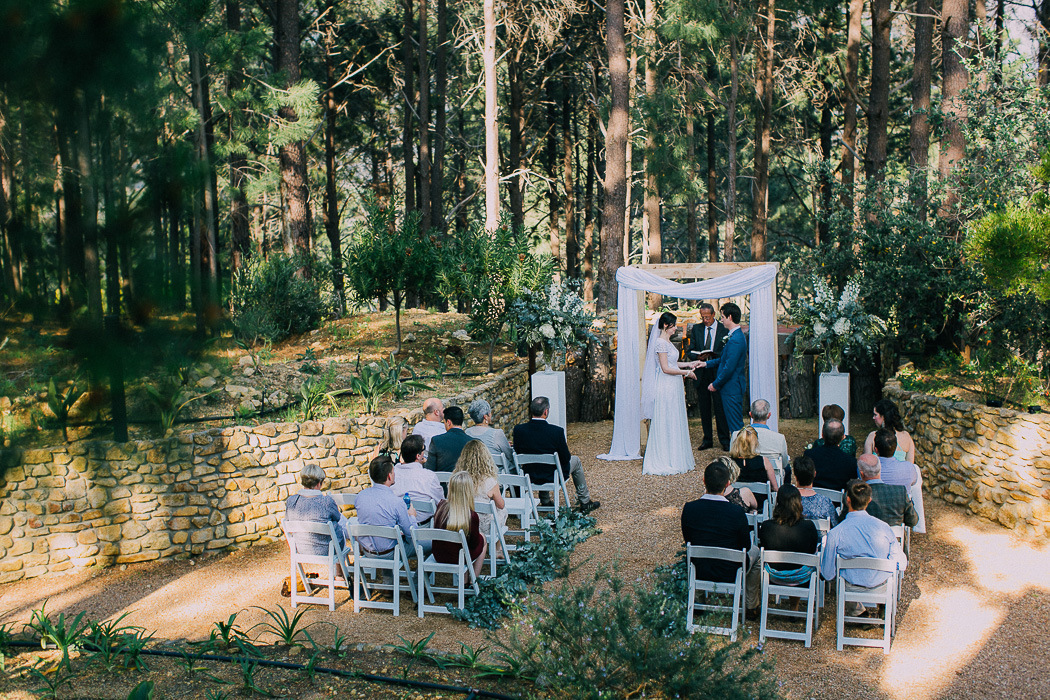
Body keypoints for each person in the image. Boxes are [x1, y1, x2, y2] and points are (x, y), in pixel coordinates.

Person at [681, 460, 760, 617]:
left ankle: (698, 601)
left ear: (704, 481)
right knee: (757, 553)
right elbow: (745, 544)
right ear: (728, 483)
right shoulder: (736, 512)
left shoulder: (690, 509)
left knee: (696, 550)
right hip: (731, 571)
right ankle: (751, 606)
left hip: (700, 569)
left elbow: (688, 539)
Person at [820, 479, 907, 616]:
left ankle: (857, 612)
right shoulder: (883, 527)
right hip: (880, 585)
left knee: (843, 574)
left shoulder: (837, 532)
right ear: (869, 500)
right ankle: (883, 604)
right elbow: (901, 563)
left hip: (850, 587)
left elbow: (828, 573)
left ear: (847, 499)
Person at [513, 396, 600, 513]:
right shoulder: (556, 432)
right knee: (576, 460)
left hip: (529, 475)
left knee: (540, 462)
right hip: (552, 476)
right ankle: (585, 501)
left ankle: (545, 500)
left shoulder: (519, 430)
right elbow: (565, 458)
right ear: (546, 412)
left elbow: (518, 452)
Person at [641, 311, 698, 476]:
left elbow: (672, 362)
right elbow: (665, 369)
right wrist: (687, 373)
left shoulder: (666, 342)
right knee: (667, 418)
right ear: (666, 326)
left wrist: (689, 364)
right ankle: (665, 458)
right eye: (674, 325)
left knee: (674, 418)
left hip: (674, 385)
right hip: (666, 385)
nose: (676, 329)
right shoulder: (660, 342)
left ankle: (675, 455)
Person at [696, 302, 748, 434]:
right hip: (730, 387)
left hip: (732, 387)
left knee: (735, 424)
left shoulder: (736, 339)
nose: (722, 320)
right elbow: (723, 359)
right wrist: (706, 364)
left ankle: (740, 452)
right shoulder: (733, 335)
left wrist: (715, 384)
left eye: (723, 317)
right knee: (733, 423)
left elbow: (728, 368)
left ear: (730, 317)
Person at [355, 455, 418, 558]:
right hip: (391, 554)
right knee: (429, 544)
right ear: (389, 476)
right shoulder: (397, 502)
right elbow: (411, 534)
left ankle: (388, 574)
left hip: (368, 552)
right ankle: (419, 575)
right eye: (393, 472)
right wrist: (412, 517)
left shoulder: (360, 497)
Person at [687, 303, 729, 450]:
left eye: (707, 317)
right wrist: (698, 356)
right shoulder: (697, 329)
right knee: (704, 408)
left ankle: (725, 440)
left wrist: (713, 355)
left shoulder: (724, 329)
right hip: (702, 372)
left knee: (720, 407)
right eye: (702, 317)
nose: (705, 320)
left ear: (713, 315)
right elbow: (690, 350)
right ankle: (707, 439)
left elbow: (726, 352)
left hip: (718, 372)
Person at [454, 439, 507, 556]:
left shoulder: (458, 479)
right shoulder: (489, 481)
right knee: (502, 510)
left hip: (462, 523)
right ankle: (497, 548)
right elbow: (501, 505)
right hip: (484, 527)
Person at [284, 463, 347, 555]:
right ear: (319, 483)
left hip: (301, 548)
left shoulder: (291, 501)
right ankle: (340, 567)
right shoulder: (327, 501)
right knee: (340, 522)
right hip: (327, 549)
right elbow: (337, 518)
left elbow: (288, 519)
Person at [433, 472, 487, 577]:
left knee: (463, 546)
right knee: (482, 539)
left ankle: (466, 580)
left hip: (439, 554)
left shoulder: (441, 507)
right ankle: (473, 579)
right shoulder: (471, 516)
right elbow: (474, 544)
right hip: (458, 557)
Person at [758, 485, 820, 572]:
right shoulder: (809, 527)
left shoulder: (766, 526)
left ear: (778, 502)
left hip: (774, 576)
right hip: (802, 577)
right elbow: (812, 551)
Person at [730, 399, 790, 484]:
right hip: (769, 480)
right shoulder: (779, 438)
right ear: (769, 415)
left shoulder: (736, 435)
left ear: (750, 414)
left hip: (741, 478)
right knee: (787, 468)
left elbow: (732, 456)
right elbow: (784, 463)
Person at [391, 435, 444, 524]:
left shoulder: (392, 474)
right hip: (424, 527)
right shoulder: (429, 476)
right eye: (424, 449)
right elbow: (440, 502)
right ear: (418, 456)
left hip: (397, 526)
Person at [857, 454, 918, 528]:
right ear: (879, 469)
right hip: (894, 538)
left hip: (864, 538)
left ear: (861, 474)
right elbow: (913, 521)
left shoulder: (855, 495)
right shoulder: (900, 492)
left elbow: (844, 521)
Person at [802, 420, 858, 492]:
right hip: (838, 501)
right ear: (843, 437)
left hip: (813, 497)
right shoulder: (851, 462)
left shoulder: (809, 455)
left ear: (822, 435)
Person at [464, 399, 514, 469]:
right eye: (489, 413)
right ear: (485, 417)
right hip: (497, 475)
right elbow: (510, 456)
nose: (491, 415)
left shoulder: (467, 432)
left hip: (475, 474)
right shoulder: (497, 434)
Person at [863, 399, 916, 463]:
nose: (873, 418)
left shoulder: (873, 436)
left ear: (883, 416)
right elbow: (910, 465)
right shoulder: (906, 436)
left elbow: (866, 464)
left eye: (875, 415)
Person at [793, 454, 840, 526]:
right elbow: (835, 525)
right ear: (814, 474)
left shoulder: (789, 501)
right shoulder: (825, 502)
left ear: (795, 476)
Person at [425, 405, 474, 473]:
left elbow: (429, 469)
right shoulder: (473, 442)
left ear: (448, 422)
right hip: (467, 482)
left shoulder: (436, 441)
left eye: (444, 422)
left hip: (442, 483)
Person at [729, 426, 779, 491]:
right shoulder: (763, 461)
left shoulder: (729, 462)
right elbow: (775, 487)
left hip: (736, 499)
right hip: (760, 499)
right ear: (755, 443)